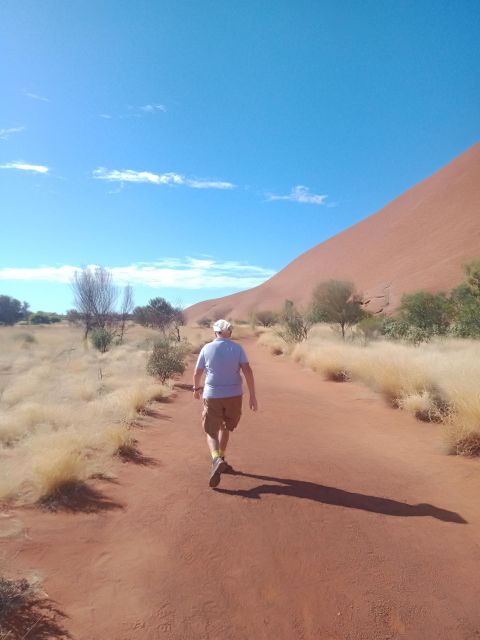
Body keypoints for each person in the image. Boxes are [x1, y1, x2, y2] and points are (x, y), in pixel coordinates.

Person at [193, 319, 258, 488]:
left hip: (213, 394)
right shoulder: (237, 348)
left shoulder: (207, 348)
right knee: (226, 427)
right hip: (234, 395)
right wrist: (252, 396)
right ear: (230, 332)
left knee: (211, 430)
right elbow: (248, 371)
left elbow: (197, 372)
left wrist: (196, 388)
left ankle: (216, 458)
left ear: (215, 332)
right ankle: (221, 458)